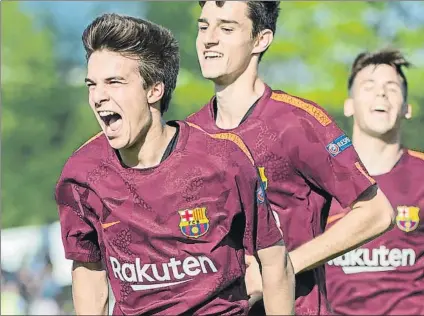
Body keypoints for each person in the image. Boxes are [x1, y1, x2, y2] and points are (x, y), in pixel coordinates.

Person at [55, 13, 295, 316]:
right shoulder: (81, 175)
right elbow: (88, 270)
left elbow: (274, 261)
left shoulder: (223, 160)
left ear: (154, 90)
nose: (99, 97)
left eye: (114, 82)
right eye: (92, 84)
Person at [186, 1, 395, 314]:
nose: (209, 39)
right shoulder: (189, 134)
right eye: (204, 27)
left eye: (226, 28)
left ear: (261, 40)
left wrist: (279, 268)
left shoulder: (298, 122)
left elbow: (377, 212)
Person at [325, 49, 424, 315]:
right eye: (369, 86)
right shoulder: (316, 182)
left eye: (391, 87)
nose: (381, 93)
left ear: (406, 108)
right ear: (349, 105)